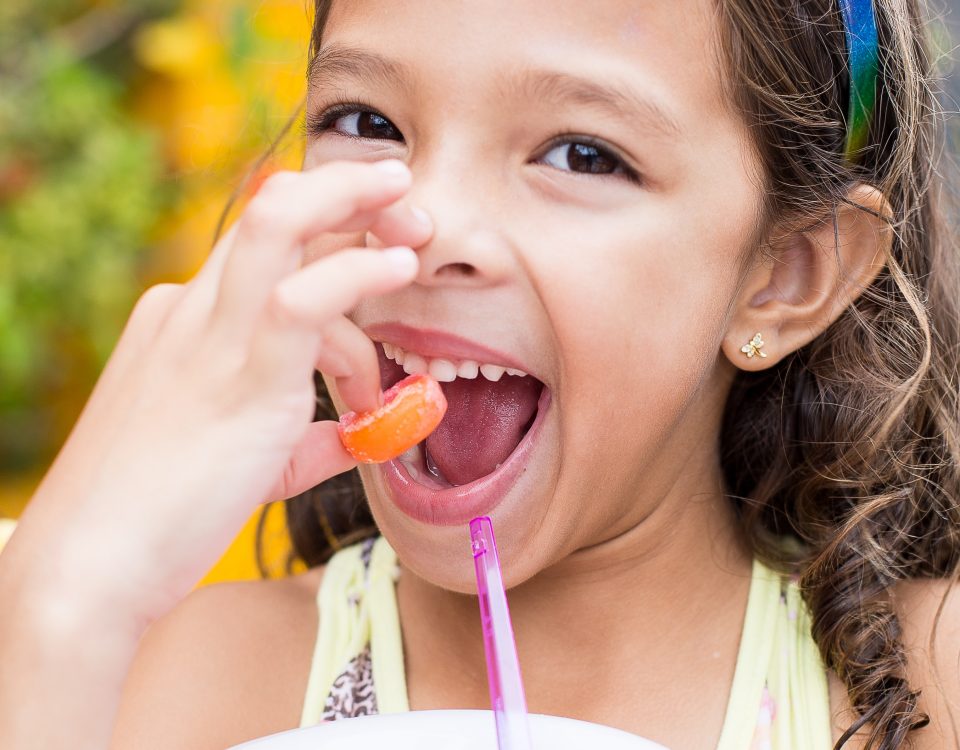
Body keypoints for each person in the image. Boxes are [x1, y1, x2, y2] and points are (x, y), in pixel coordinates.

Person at [1, 0, 958, 748]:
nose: (432, 226)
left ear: (786, 276)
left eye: (584, 153)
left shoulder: (923, 689)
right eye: (367, 119)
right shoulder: (185, 680)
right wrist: (64, 600)